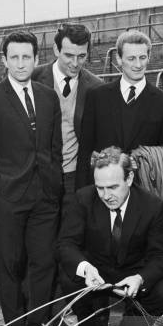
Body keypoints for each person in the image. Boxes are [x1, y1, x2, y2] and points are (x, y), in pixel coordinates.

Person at [0, 31, 63, 326]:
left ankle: (37, 321)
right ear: (4, 60)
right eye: (14, 57)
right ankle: (15, 324)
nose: (21, 63)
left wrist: (54, 184)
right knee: (10, 261)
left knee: (44, 259)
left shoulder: (48, 96)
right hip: (9, 195)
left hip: (45, 194)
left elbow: (55, 146)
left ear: (37, 59)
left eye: (27, 57)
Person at [58, 147, 163, 326]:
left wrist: (140, 278)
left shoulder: (152, 206)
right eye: (100, 188)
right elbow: (65, 244)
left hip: (132, 274)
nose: (106, 195)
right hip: (96, 273)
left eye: (113, 187)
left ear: (129, 178)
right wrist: (85, 268)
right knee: (69, 277)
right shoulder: (83, 199)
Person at [76, 29, 163, 189]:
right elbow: (85, 151)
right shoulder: (96, 97)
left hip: (144, 193)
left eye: (142, 58)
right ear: (118, 58)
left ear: (148, 57)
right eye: (131, 58)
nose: (138, 65)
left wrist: (142, 158)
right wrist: (82, 196)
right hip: (102, 190)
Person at [32, 23, 103, 197]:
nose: (75, 63)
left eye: (81, 56)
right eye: (69, 55)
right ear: (56, 50)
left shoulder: (96, 87)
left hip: (75, 177)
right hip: (37, 175)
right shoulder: (32, 79)